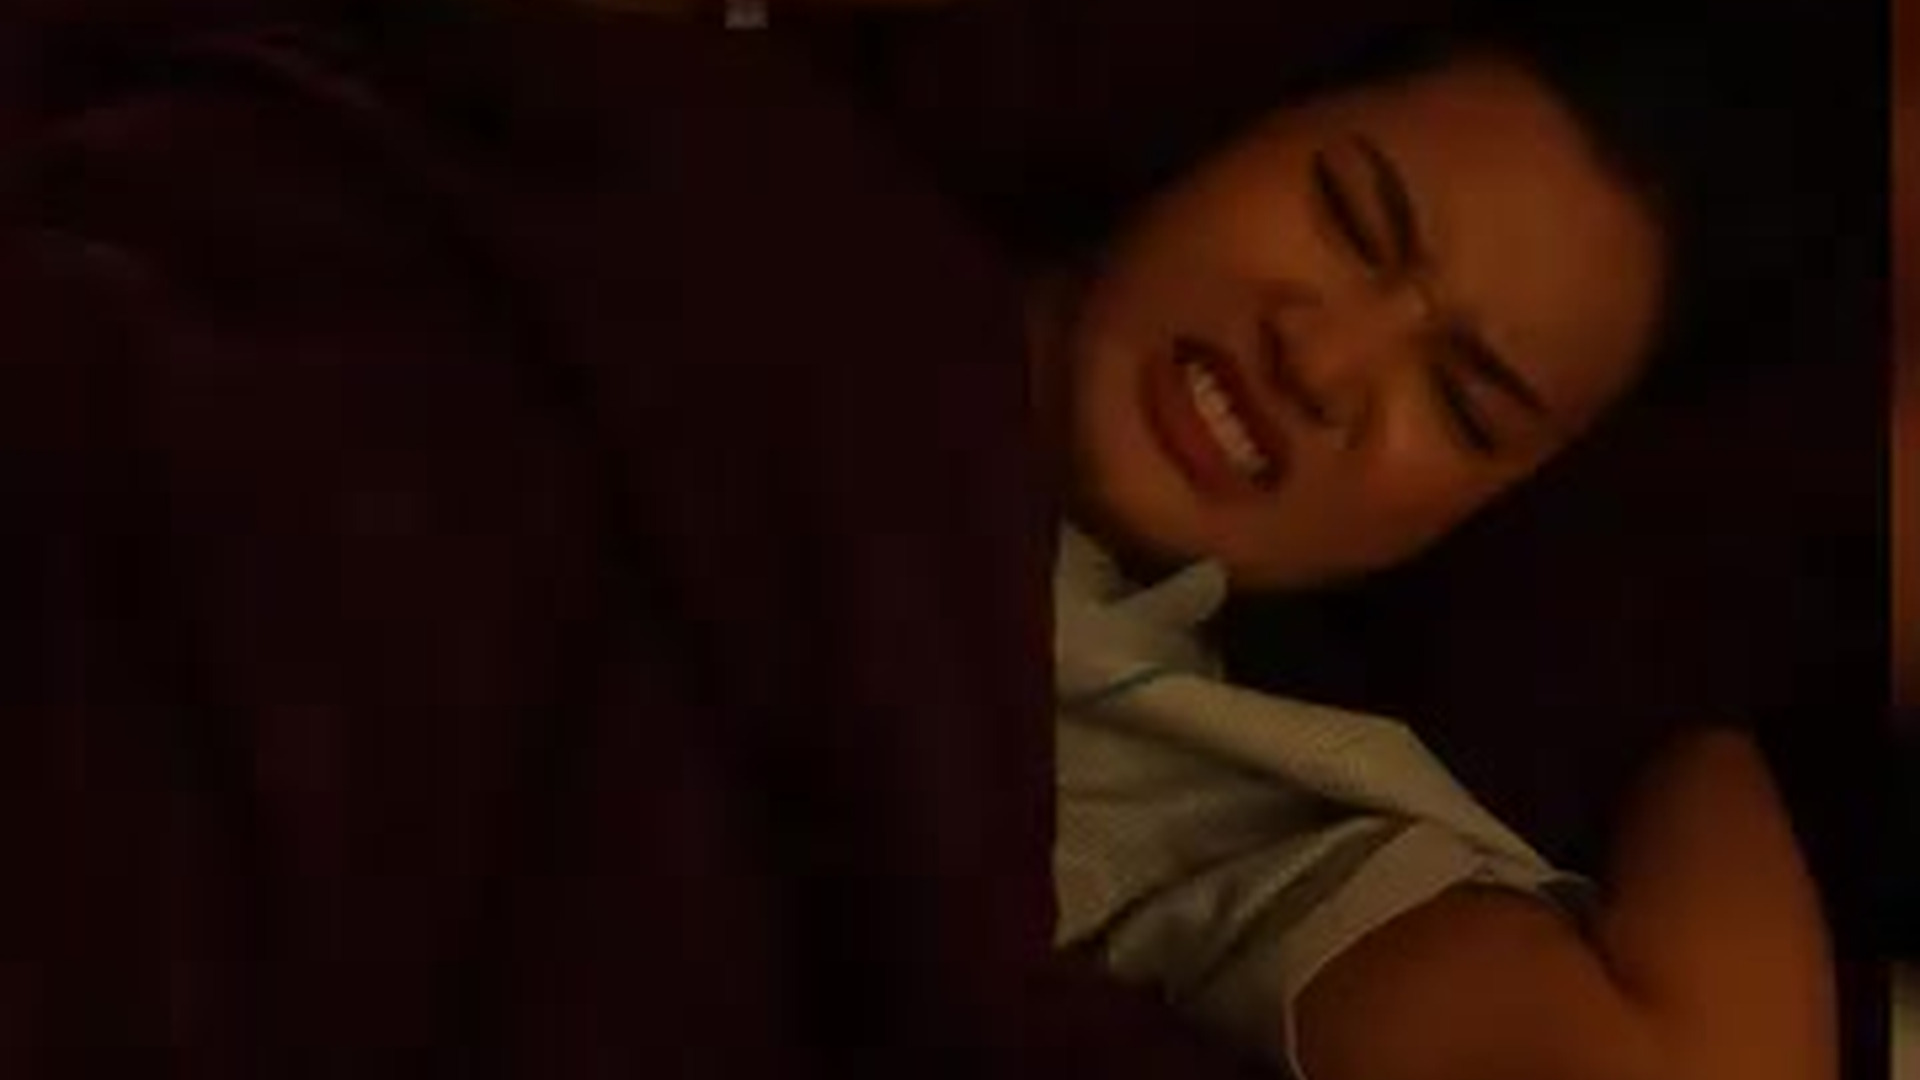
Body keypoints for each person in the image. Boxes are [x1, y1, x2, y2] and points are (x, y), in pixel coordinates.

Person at [1017, 9, 1838, 1080]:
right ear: (1247, 119)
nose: (1321, 363)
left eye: (1462, 404)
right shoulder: (830, 199)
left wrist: (1690, 719)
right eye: (1354, 217)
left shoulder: (1209, 803)